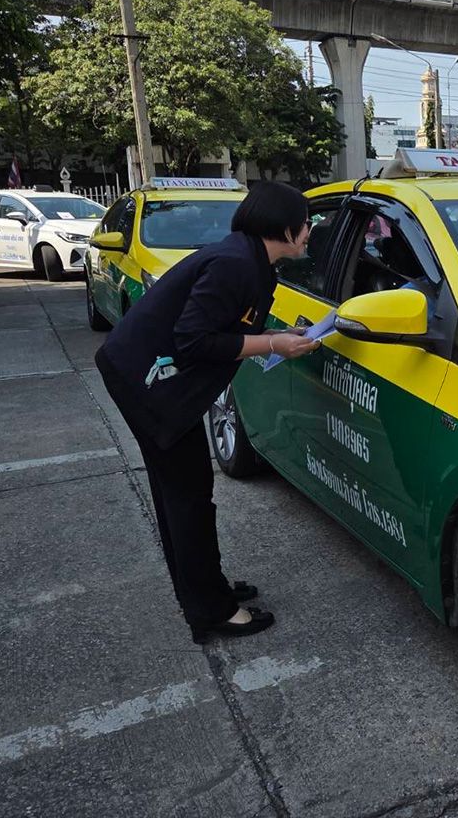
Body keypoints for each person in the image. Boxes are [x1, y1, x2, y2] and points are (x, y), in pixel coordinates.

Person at [95, 182, 321, 644]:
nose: (310, 232)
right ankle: (212, 610)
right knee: (188, 496)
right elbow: (193, 340)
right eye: (306, 223)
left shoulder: (250, 260)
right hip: (146, 383)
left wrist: (276, 335)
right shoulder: (236, 264)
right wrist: (274, 343)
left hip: (153, 378)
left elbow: (230, 326)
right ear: (284, 227)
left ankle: (204, 588)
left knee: (183, 493)